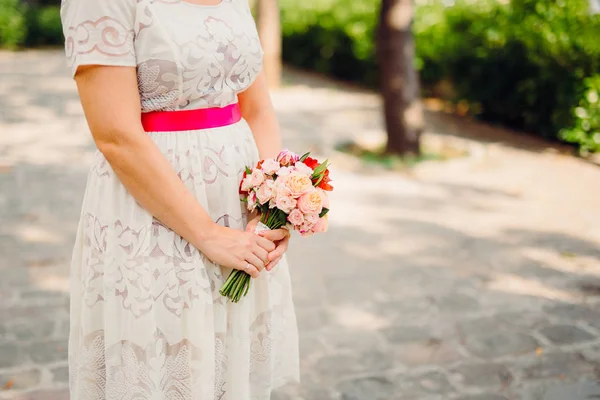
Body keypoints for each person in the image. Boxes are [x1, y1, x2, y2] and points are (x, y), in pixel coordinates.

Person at [60, 0, 299, 398]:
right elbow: (116, 135)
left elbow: (256, 107)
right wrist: (208, 234)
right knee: (170, 363)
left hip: (239, 202)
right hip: (154, 209)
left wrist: (268, 206)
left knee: (232, 363)